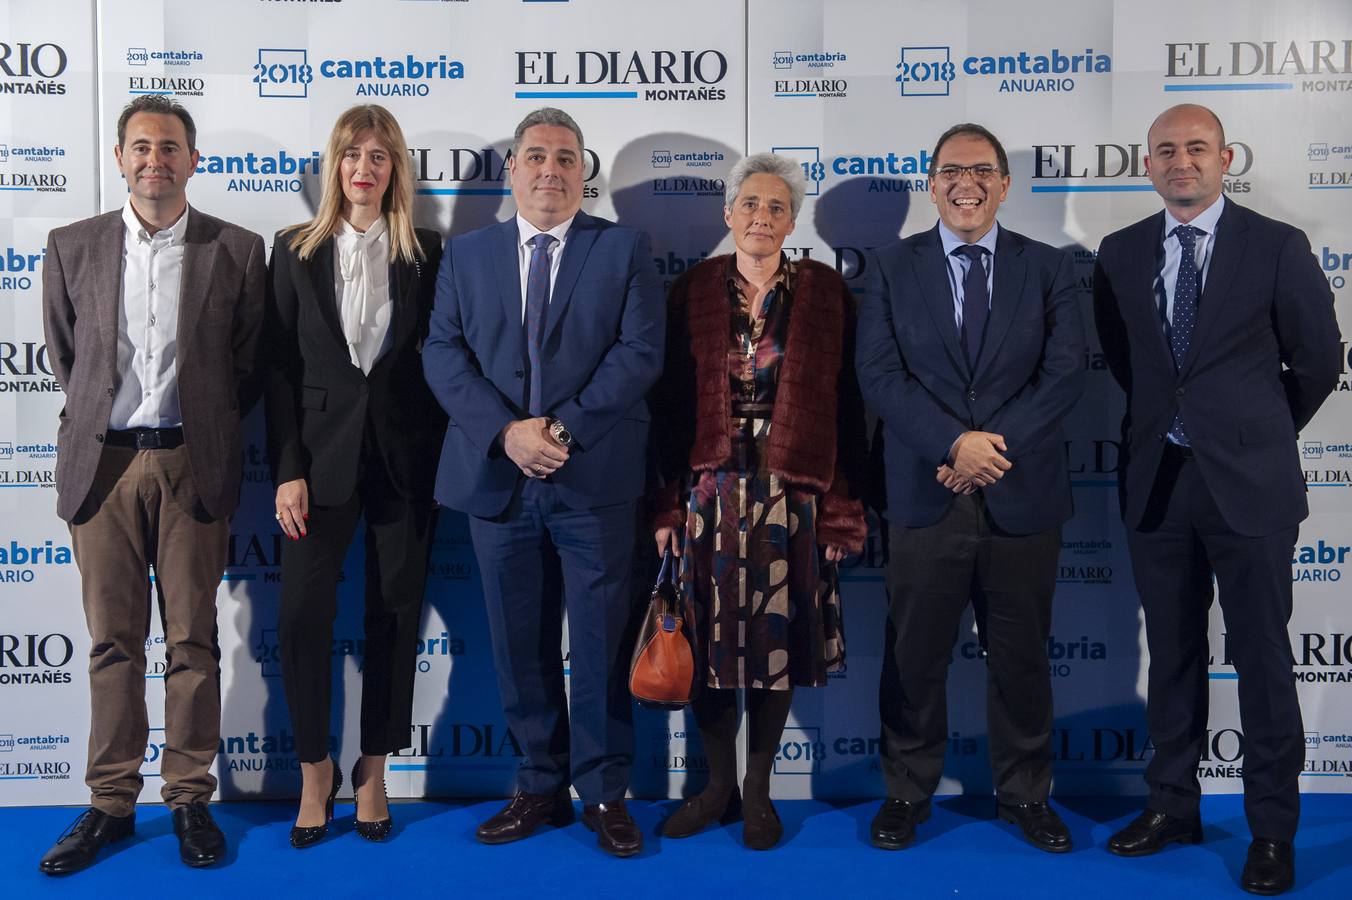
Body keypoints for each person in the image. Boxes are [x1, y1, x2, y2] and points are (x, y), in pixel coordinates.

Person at [1093, 103, 1341, 896]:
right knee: (1171, 658)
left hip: (1252, 487)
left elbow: (1318, 362)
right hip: (1159, 486)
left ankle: (1272, 829)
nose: (1181, 161)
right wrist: (1179, 427)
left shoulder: (1277, 246)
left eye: (1196, 148)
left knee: (1264, 660)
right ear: (1147, 164)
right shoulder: (1121, 251)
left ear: (1225, 157)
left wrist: (1254, 432)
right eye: (1165, 150)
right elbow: (1130, 365)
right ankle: (1173, 806)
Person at [422, 108, 663, 858]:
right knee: (518, 645)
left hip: (593, 480)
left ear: (583, 171)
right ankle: (538, 785)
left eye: (565, 158)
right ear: (514, 169)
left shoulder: (624, 249)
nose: (551, 170)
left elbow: (640, 353)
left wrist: (560, 430)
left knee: (599, 643)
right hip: (500, 482)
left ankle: (604, 794)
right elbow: (443, 354)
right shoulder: (467, 257)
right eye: (536, 157)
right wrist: (507, 433)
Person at [38, 95, 265, 873]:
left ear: (193, 160)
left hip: (191, 463)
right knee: (111, 645)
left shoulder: (236, 249)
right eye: (140, 147)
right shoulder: (71, 245)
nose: (154, 160)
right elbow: (70, 361)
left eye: (170, 147)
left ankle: (190, 797)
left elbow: (245, 367)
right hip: (101, 470)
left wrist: (198, 425)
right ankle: (109, 802)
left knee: (193, 643)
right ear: (118, 157)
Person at [856, 123, 1085, 854]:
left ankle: (1025, 794)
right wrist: (953, 443)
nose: (968, 183)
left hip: (1022, 495)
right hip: (927, 494)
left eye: (983, 170)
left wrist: (988, 449)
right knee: (913, 655)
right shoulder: (891, 268)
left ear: (1005, 183)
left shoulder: (1050, 268)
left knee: (1021, 657)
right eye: (953, 171)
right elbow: (880, 376)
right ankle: (904, 791)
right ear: (931, 182)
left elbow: (1066, 372)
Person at [648, 153, 867, 850]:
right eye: (750, 205)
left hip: (791, 497)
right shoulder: (692, 290)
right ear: (727, 215)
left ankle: (760, 793)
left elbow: (849, 407)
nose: (761, 218)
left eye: (776, 208)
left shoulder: (827, 293)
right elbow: (667, 407)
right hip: (708, 497)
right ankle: (716, 787)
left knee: (774, 648)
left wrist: (841, 509)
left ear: (792, 221)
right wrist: (666, 507)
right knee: (708, 647)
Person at [264, 104, 445, 848]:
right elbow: (277, 369)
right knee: (303, 617)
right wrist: (288, 470)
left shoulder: (429, 253)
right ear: (334, 166)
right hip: (317, 464)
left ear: (396, 169)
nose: (364, 168)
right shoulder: (292, 248)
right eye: (351, 155)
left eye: (379, 156)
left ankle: (372, 770)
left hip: (405, 463)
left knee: (395, 616)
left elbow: (441, 361)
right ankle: (315, 771)